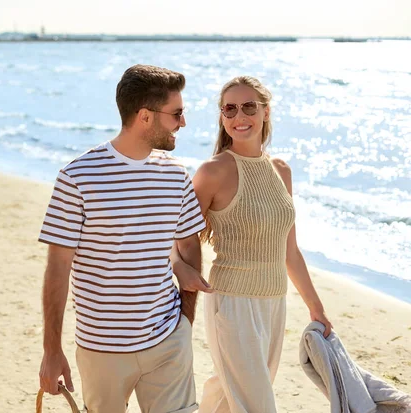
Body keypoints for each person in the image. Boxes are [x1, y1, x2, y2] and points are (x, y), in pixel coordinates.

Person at [38, 64, 210, 413]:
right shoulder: (78, 177)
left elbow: (189, 246)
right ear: (145, 116)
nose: (183, 122)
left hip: (167, 340)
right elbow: (57, 269)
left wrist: (185, 323)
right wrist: (51, 351)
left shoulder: (176, 176)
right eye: (177, 114)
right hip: (101, 349)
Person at [171, 75, 333, 413]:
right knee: (256, 404)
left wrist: (316, 307)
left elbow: (289, 250)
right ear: (222, 117)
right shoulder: (213, 171)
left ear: (265, 112)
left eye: (249, 107)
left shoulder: (281, 170)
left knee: (229, 396)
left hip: (274, 303)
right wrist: (179, 266)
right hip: (232, 304)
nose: (239, 116)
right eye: (229, 109)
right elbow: (176, 232)